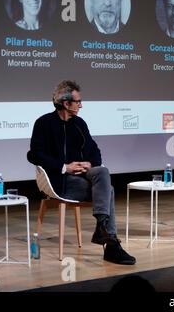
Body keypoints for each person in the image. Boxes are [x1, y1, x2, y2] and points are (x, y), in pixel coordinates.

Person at [27, 80, 136, 265]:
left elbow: (95, 151)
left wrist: (90, 162)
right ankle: (110, 243)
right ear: (66, 103)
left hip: (83, 176)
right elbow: (34, 154)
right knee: (108, 191)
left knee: (102, 171)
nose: (81, 105)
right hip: (59, 179)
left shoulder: (79, 124)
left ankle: (102, 227)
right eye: (78, 102)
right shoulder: (44, 123)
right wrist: (64, 167)